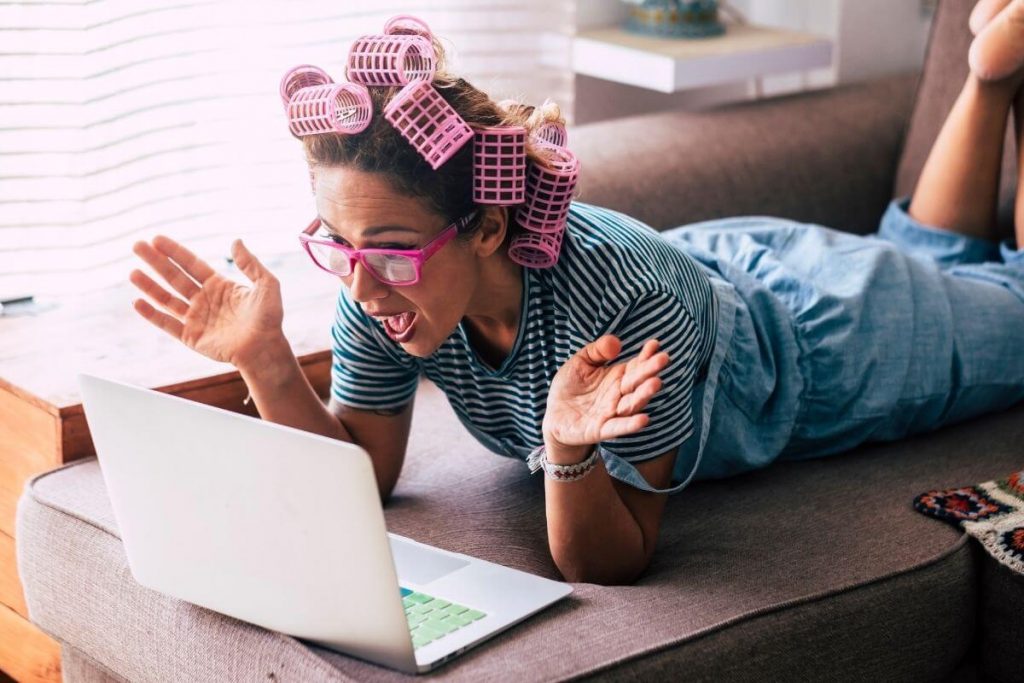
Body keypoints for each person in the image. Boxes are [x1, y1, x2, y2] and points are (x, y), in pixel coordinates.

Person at [130, 2, 1024, 585]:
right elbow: (362, 470)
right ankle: (989, 76)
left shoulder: (621, 309)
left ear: (485, 226)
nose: (360, 284)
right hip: (716, 269)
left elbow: (612, 557)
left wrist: (566, 449)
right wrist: (266, 360)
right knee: (928, 255)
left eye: (391, 252)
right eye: (339, 246)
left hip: (825, 340)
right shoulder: (378, 278)